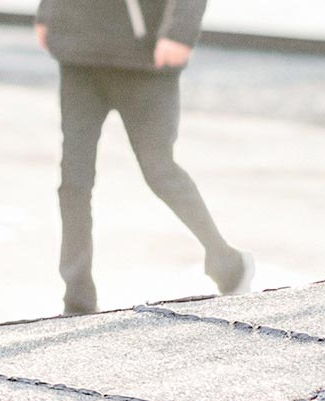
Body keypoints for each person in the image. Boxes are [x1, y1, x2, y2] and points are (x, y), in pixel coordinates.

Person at [34, 0, 252, 315]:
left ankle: (227, 263)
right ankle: (77, 295)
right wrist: (48, 13)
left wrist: (179, 33)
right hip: (79, 54)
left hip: (144, 58)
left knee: (159, 171)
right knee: (74, 179)